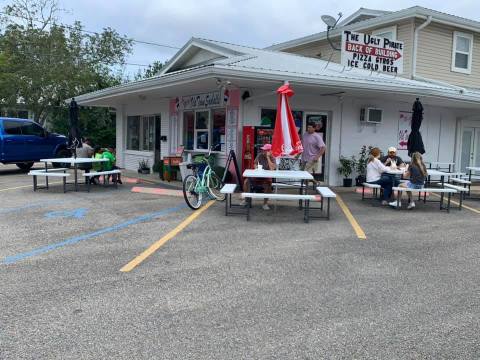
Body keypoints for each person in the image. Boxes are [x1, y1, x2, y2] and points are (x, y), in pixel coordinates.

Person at [241, 143, 276, 210]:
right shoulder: (260, 155)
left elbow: (272, 168)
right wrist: (256, 167)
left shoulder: (272, 157)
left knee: (268, 185)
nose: (263, 151)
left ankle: (265, 203)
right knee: (246, 182)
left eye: (265, 150)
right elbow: (255, 163)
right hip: (257, 176)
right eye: (263, 150)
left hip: (266, 178)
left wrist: (268, 157)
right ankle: (246, 200)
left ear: (269, 151)